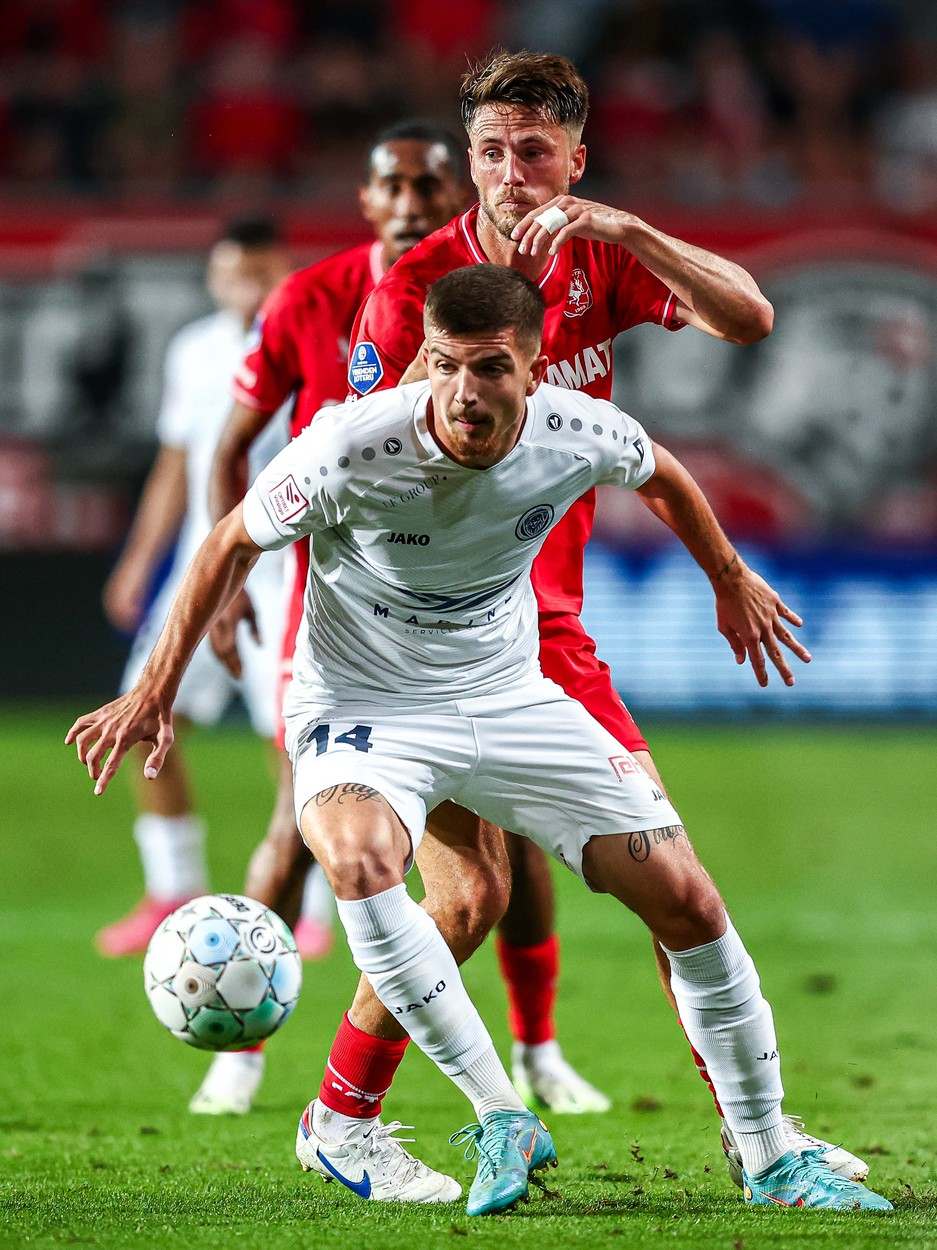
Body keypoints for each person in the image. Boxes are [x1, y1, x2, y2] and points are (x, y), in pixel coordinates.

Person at [67, 264, 892, 1216]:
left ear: (536, 369)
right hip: (363, 709)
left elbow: (660, 474)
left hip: (507, 698)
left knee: (687, 901)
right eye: (449, 365)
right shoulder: (346, 447)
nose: (467, 391)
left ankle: (766, 1154)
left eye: (492, 368)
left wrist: (728, 575)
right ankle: (498, 1111)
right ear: (424, 357)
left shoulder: (577, 431)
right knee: (361, 856)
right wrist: (156, 692)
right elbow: (227, 543)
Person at [339, 49, 868, 1190]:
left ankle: (755, 1136)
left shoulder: (597, 263)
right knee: (472, 896)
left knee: (634, 887)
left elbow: (750, 317)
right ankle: (342, 1120)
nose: (511, 175)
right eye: (490, 152)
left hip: (550, 641)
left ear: (577, 158)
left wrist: (626, 234)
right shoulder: (416, 291)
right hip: (426, 647)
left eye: (535, 151)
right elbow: (356, 473)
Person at [203, 118, 611, 1119]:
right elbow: (237, 444)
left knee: (509, 842)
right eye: (395, 185)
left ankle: (536, 1046)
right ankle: (243, 1046)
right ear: (366, 196)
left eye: (431, 188)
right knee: (299, 830)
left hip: (475, 613)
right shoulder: (313, 297)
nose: (413, 203)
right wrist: (223, 584)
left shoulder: (465, 308)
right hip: (342, 613)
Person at [96, 217, 338, 976]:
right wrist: (140, 561)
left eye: (263, 273)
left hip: (284, 565)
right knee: (139, 723)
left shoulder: (317, 343)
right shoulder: (194, 350)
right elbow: (178, 461)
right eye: (236, 274)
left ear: (286, 274)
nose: (250, 287)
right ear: (213, 278)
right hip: (202, 568)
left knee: (294, 745)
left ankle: (311, 908)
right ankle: (171, 890)